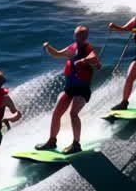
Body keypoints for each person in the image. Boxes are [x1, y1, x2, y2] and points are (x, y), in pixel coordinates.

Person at [36, 26, 100, 154]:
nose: (78, 38)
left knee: (73, 113)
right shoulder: (72, 47)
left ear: (85, 37)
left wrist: (84, 60)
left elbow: (94, 58)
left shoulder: (88, 48)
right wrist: (49, 47)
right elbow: (58, 54)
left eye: (80, 36)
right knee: (56, 113)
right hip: (70, 88)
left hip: (82, 89)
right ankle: (51, 141)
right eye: (76, 35)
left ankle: (76, 144)